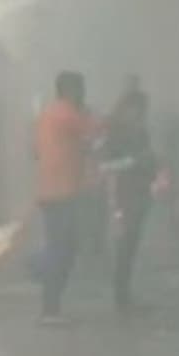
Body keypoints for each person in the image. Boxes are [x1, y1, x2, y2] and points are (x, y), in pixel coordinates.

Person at [34, 71, 97, 324]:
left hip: (52, 189)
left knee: (63, 247)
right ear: (70, 90)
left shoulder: (49, 114)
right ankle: (49, 308)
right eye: (80, 89)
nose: (83, 94)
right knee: (62, 249)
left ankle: (51, 303)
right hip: (61, 191)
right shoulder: (66, 113)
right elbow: (93, 130)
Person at [102, 88, 157, 315]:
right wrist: (134, 162)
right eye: (138, 109)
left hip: (141, 191)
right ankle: (121, 295)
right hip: (125, 192)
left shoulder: (140, 131)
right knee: (126, 243)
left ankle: (124, 294)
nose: (140, 115)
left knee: (132, 243)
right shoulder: (117, 133)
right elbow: (105, 165)